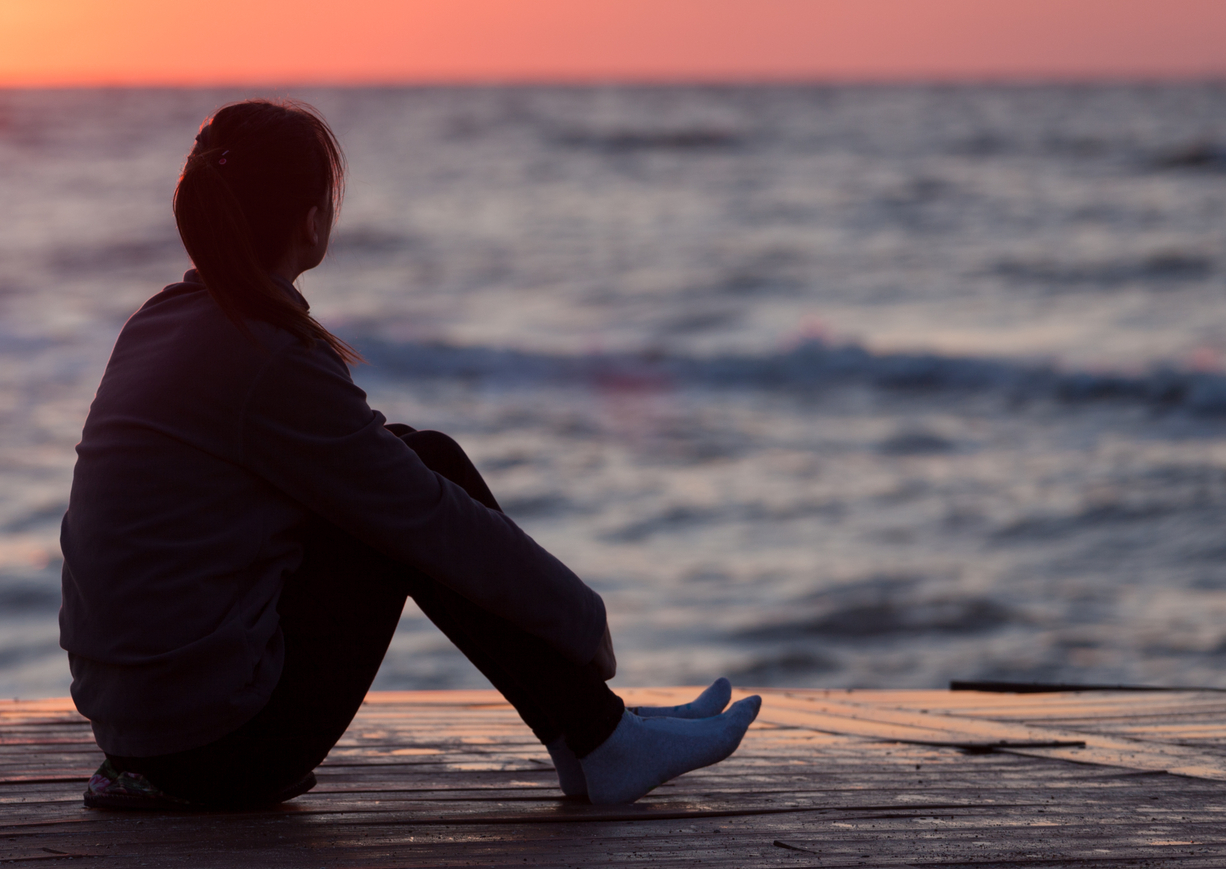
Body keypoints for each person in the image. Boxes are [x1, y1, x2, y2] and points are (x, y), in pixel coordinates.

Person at [58, 99, 758, 811]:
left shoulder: (160, 321)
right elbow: (425, 515)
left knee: (408, 459)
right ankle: (601, 734)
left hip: (139, 734)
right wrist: (581, 622)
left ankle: (594, 736)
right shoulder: (266, 356)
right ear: (311, 222)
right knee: (421, 481)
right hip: (217, 749)